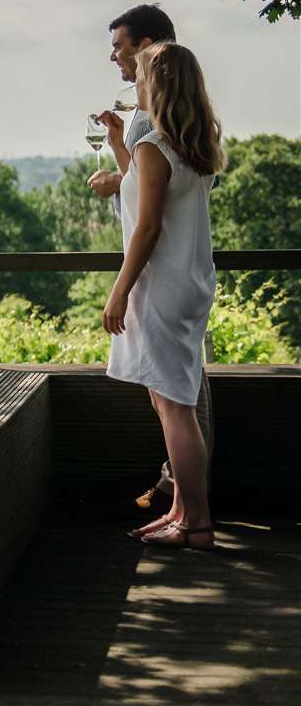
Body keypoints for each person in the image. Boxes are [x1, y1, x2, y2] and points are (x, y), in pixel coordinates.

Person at [98, 41, 225, 549]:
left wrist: (118, 292)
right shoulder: (191, 147)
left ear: (158, 83)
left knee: (176, 407)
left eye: (143, 75)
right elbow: (147, 192)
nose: (136, 84)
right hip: (188, 284)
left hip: (162, 288)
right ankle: (181, 510)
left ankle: (198, 524)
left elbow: (147, 227)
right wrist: (117, 144)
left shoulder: (156, 146)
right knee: (168, 399)